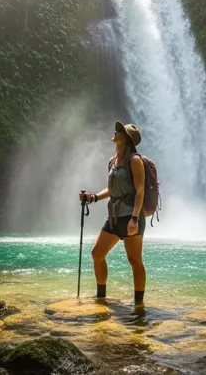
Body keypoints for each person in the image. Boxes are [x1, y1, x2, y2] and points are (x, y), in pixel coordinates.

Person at [79, 121, 146, 306]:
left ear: (127, 139)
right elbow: (111, 189)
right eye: (116, 130)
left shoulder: (135, 160)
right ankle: (101, 297)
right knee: (97, 254)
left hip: (131, 216)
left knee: (134, 260)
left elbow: (140, 191)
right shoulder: (112, 161)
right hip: (114, 216)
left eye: (120, 131)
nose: (115, 132)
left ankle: (138, 302)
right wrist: (92, 198)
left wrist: (134, 218)